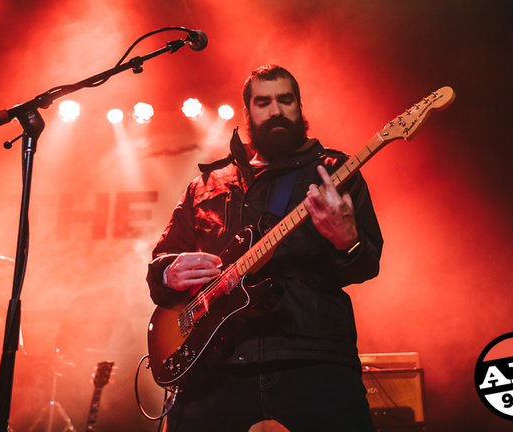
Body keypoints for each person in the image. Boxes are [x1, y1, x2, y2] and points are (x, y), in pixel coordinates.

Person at [146, 64, 383, 432]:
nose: (276, 110)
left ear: (299, 107)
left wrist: (346, 239)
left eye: (285, 100)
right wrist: (168, 272)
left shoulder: (334, 172)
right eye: (264, 102)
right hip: (213, 362)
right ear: (248, 111)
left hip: (310, 353)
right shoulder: (207, 183)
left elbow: (366, 263)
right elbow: (160, 265)